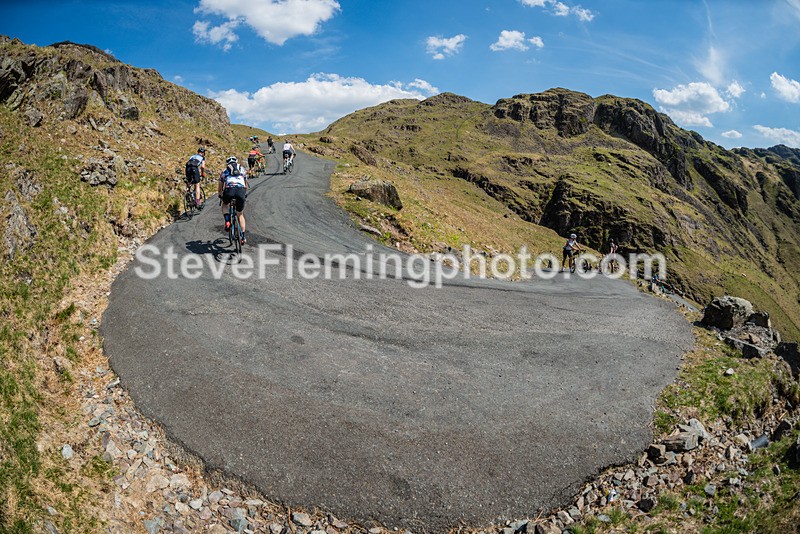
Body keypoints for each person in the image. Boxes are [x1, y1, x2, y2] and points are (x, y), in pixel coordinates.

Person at [218, 156, 249, 244]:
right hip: (240, 191)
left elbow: (220, 185)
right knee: (240, 214)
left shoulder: (225, 171)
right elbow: (246, 185)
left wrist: (220, 194)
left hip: (229, 190)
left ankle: (227, 221)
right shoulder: (242, 169)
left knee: (225, 204)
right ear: (236, 162)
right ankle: (243, 237)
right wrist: (244, 193)